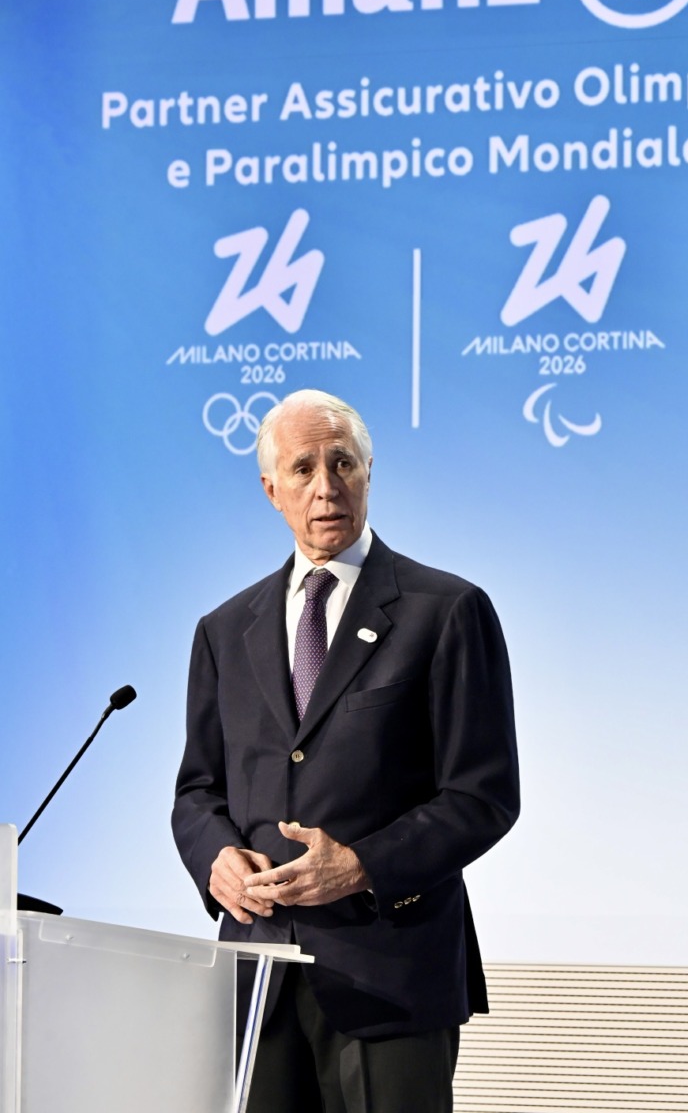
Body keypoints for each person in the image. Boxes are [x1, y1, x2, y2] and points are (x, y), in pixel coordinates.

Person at [172, 388, 520, 1112]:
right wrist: (217, 859)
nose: (325, 486)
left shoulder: (446, 610)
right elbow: (198, 791)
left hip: (390, 976)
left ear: (368, 473)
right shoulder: (224, 629)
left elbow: (482, 796)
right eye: (302, 468)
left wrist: (363, 866)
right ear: (272, 490)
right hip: (259, 978)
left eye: (343, 464)